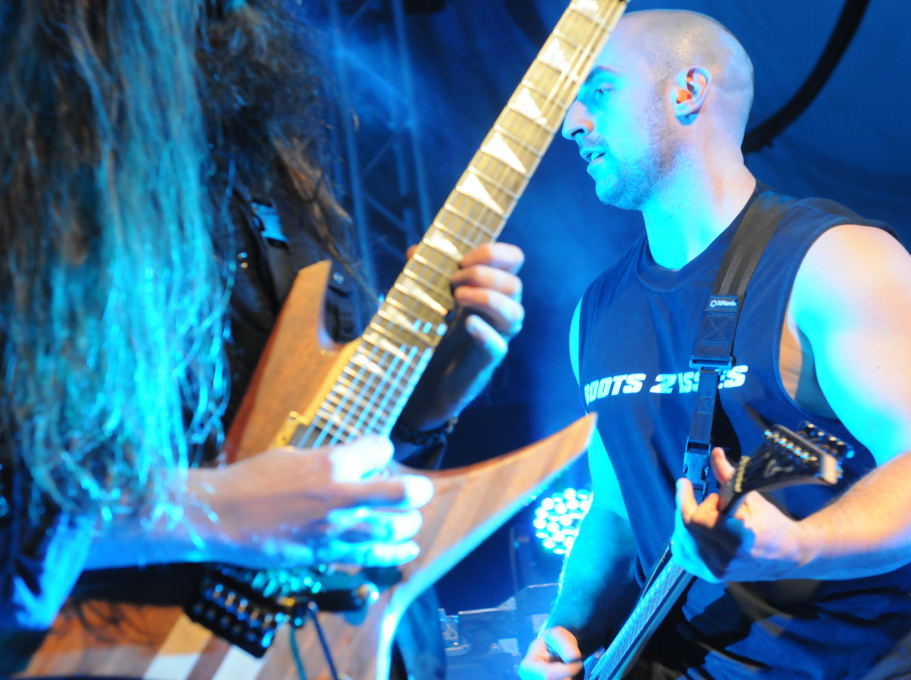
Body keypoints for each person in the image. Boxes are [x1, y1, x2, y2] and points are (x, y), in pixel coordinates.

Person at [0, 1, 522, 675]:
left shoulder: (261, 149)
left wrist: (426, 403)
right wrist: (210, 511)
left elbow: (316, 473)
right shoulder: (34, 146)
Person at [520, 10, 911, 680]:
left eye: (600, 91)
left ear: (687, 91)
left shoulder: (836, 259)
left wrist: (798, 544)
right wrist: (566, 632)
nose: (571, 123)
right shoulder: (598, 309)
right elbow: (616, 508)